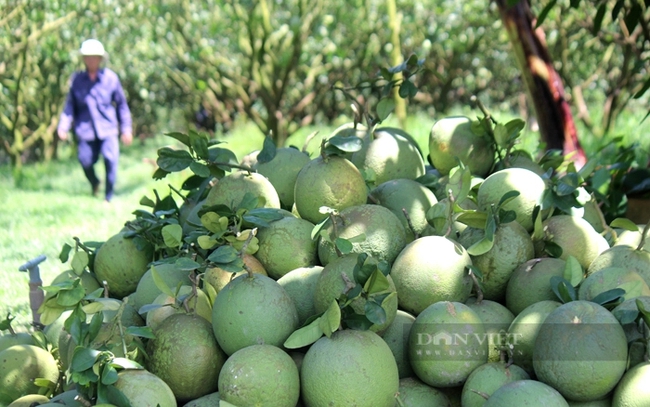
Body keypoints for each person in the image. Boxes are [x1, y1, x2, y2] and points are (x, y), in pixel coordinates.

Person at [57, 39, 133, 202]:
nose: (91, 60)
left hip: (108, 128)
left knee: (110, 159)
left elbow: (121, 105)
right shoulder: (76, 80)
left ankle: (108, 197)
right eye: (88, 56)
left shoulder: (111, 79)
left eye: (94, 57)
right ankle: (95, 182)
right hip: (85, 130)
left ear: (100, 59)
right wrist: (63, 126)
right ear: (83, 59)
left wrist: (126, 129)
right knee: (85, 161)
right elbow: (69, 106)